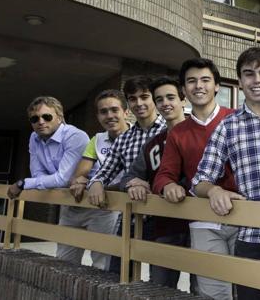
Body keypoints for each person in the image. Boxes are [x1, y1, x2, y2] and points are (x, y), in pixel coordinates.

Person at [192, 47, 260, 300]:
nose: (257, 80)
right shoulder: (227, 125)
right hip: (253, 234)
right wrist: (214, 190)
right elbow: (199, 180)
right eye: (249, 74)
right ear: (240, 81)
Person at [151, 58, 237, 300]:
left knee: (246, 288)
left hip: (245, 217)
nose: (198, 86)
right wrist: (167, 185)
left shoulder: (237, 118)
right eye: (191, 81)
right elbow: (164, 174)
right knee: (212, 291)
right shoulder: (178, 132)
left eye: (205, 80)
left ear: (217, 86)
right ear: (184, 89)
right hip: (203, 220)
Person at [117, 76, 191, 289]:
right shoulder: (153, 144)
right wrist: (135, 184)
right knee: (159, 286)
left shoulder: (202, 133)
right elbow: (128, 176)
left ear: (182, 99)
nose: (165, 103)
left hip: (199, 222)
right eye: (160, 100)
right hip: (165, 224)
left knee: (202, 288)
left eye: (171, 97)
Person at [87, 76, 166, 274]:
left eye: (144, 97)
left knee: (161, 281)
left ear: (154, 99)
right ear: (128, 104)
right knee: (118, 274)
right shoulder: (124, 139)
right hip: (130, 216)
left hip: (163, 217)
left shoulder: (170, 130)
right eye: (133, 98)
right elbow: (104, 172)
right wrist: (96, 182)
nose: (139, 103)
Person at [6, 96, 89, 264]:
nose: (41, 122)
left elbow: (63, 179)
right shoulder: (33, 138)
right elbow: (38, 175)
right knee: (64, 262)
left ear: (60, 117)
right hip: (69, 204)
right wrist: (38, 181)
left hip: (97, 204)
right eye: (35, 119)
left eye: (47, 117)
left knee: (102, 264)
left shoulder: (75, 136)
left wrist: (23, 183)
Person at [65, 90, 130, 270]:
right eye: (103, 111)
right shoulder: (97, 139)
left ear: (126, 112)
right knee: (63, 262)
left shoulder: (138, 137)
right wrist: (80, 180)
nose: (109, 116)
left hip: (115, 207)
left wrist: (100, 185)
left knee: (103, 266)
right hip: (91, 201)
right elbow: (82, 171)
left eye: (114, 110)